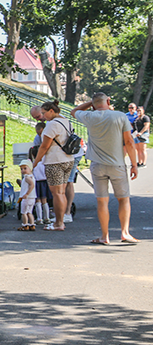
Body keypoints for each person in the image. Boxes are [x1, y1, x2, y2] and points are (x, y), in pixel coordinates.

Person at [71, 93, 139, 245]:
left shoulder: (89, 116)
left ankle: (104, 236)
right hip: (117, 165)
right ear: (108, 101)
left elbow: (73, 111)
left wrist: (91, 103)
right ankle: (124, 233)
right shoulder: (120, 116)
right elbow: (129, 141)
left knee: (102, 202)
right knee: (123, 199)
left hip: (97, 165)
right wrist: (134, 164)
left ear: (94, 104)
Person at [31, 100, 73, 231]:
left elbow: (44, 146)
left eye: (44, 113)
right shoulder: (66, 121)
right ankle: (63, 218)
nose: (43, 116)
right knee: (62, 192)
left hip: (55, 161)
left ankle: (58, 223)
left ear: (51, 111)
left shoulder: (52, 125)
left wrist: (35, 162)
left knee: (57, 193)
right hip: (68, 159)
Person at [29, 146, 51, 226]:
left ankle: (39, 218)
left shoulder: (33, 164)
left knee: (37, 201)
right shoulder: (45, 163)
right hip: (44, 183)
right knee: (45, 201)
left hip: (36, 183)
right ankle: (47, 218)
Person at [17, 159, 36, 231]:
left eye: (25, 168)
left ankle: (25, 225)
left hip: (27, 198)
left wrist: (27, 194)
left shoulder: (27, 177)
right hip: (32, 197)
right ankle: (32, 224)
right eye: (21, 169)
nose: (23, 170)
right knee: (29, 212)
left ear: (30, 168)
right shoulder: (31, 176)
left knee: (24, 212)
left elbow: (32, 185)